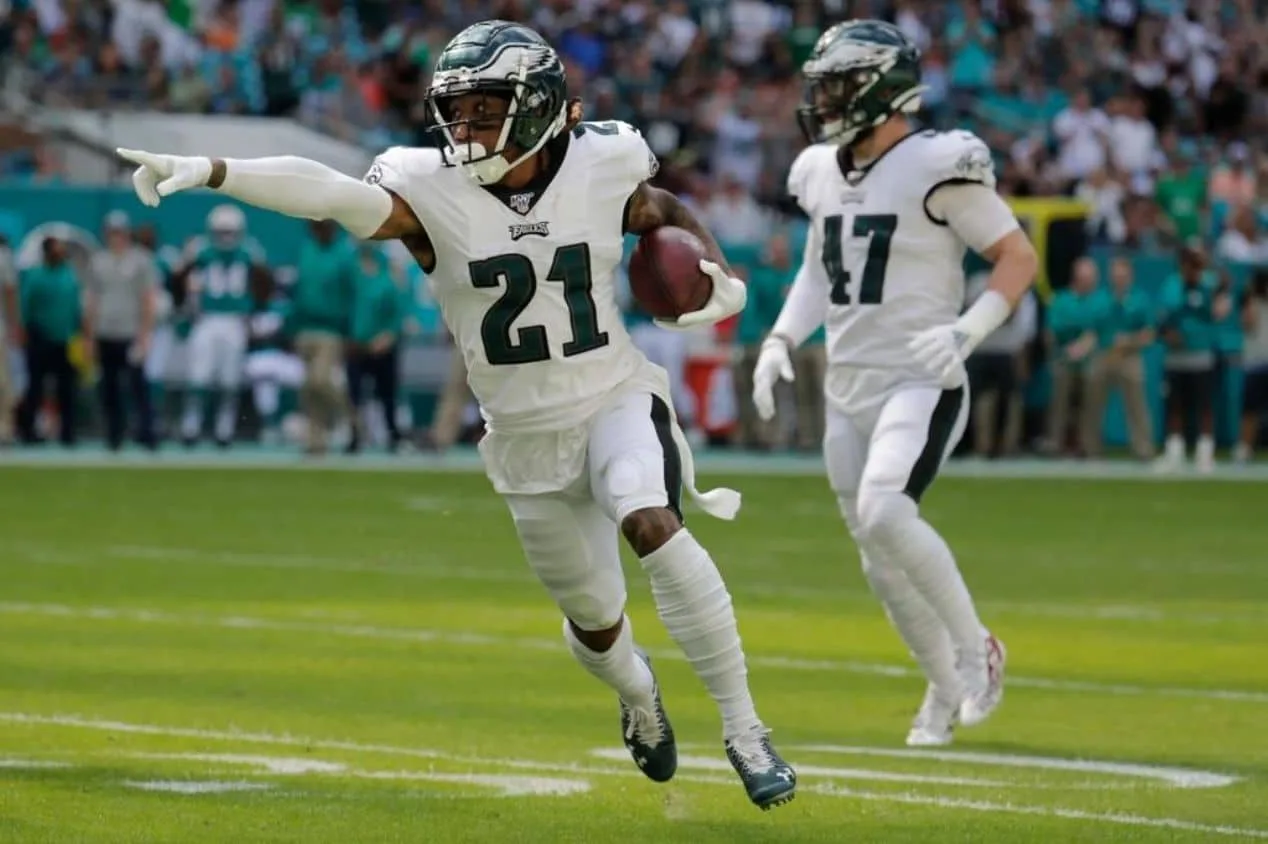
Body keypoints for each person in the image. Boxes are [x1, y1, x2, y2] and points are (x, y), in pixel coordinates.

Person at [117, 20, 796, 810]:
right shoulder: (429, 187)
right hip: (523, 436)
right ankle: (638, 694)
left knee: (652, 522)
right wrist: (212, 170)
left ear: (537, 107)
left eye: (485, 109)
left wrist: (715, 269)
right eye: (458, 110)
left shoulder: (604, 160)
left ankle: (747, 730)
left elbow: (660, 207)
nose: (465, 128)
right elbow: (330, 192)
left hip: (614, 393)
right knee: (596, 622)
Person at [751, 20, 1038, 747]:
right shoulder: (822, 169)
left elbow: (1016, 256)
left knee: (884, 512)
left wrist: (968, 329)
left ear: (881, 89)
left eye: (839, 86)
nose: (824, 101)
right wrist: (781, 339)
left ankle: (977, 650)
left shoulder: (937, 162)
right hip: (848, 385)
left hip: (920, 376)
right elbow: (818, 273)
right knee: (879, 564)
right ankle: (943, 689)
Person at [173, 204, 270, 448]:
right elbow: (178, 279)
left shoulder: (250, 251)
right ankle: (191, 426)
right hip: (207, 319)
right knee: (198, 376)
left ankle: (223, 430)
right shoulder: (200, 249)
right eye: (221, 232)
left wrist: (254, 310)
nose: (226, 237)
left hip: (235, 320)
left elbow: (265, 284)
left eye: (230, 232)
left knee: (230, 379)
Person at [83, 211, 159, 452]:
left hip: (130, 332)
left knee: (138, 386)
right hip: (105, 331)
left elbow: (148, 299)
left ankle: (147, 433)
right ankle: (114, 435)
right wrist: (89, 336)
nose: (116, 237)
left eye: (119, 232)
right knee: (109, 387)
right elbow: (91, 300)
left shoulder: (140, 260)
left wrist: (145, 334)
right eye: (112, 232)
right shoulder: (98, 261)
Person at [16, 237, 87, 446]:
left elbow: (77, 306)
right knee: (35, 387)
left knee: (67, 388)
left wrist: (81, 333)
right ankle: (28, 431)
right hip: (40, 338)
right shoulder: (35, 276)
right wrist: (24, 331)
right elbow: (25, 306)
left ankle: (68, 433)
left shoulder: (69, 275)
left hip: (65, 339)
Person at [346, 244, 404, 453]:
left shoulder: (387, 270)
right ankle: (355, 435)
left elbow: (398, 308)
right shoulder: (349, 268)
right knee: (354, 393)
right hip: (356, 344)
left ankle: (392, 434)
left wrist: (389, 335)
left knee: (387, 393)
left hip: (382, 344)